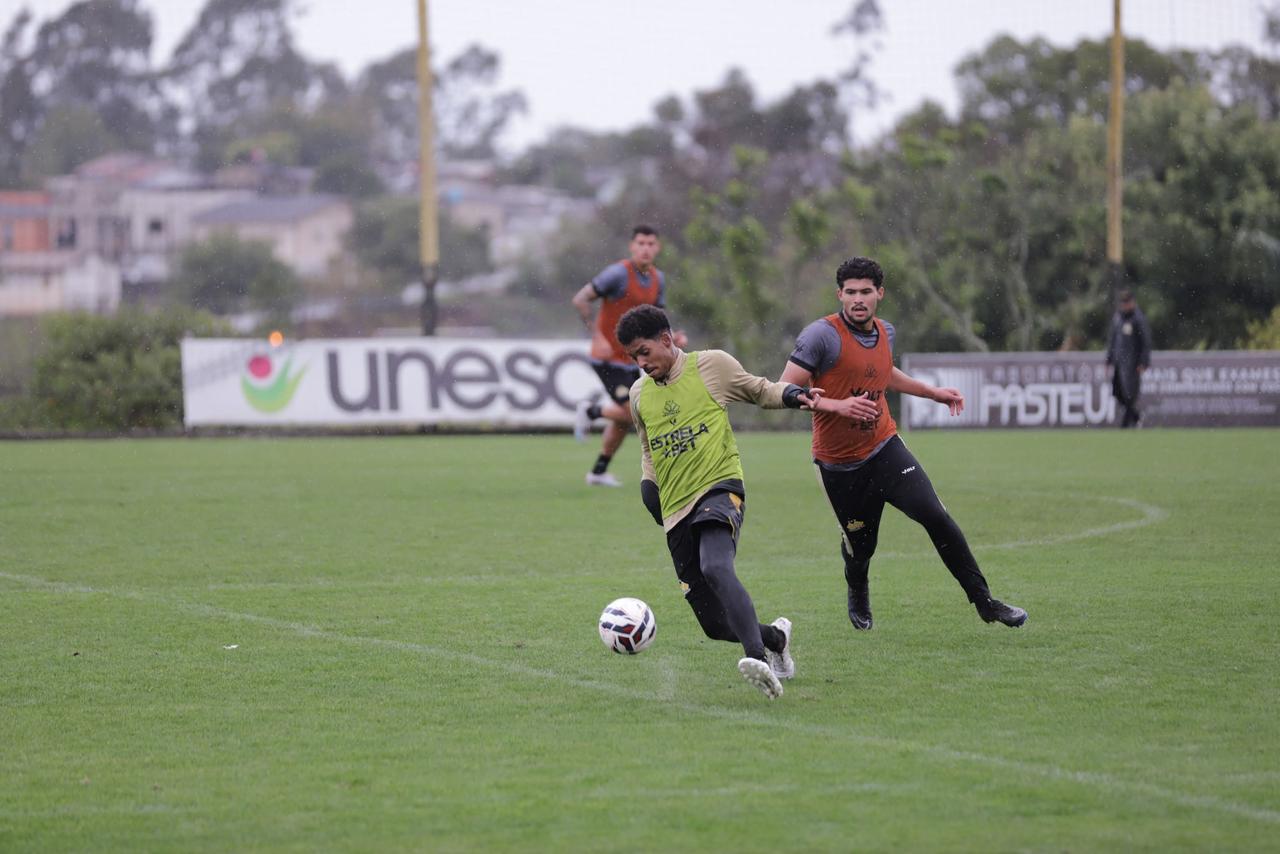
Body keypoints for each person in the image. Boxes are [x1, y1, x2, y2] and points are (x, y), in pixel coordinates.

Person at [779, 256, 1027, 631]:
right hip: (839, 465)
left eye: (865, 291)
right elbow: (783, 389)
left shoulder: (886, 332)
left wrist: (932, 393)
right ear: (839, 295)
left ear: (880, 293)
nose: (858, 299)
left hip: (885, 448)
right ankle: (858, 588)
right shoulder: (820, 336)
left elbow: (884, 372)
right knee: (861, 548)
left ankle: (985, 602)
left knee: (936, 517)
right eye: (850, 292)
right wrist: (837, 406)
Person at [618, 304, 818, 699]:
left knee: (715, 566)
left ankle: (757, 659)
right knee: (714, 625)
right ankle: (775, 639)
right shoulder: (639, 394)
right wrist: (648, 484)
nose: (641, 363)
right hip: (675, 508)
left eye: (644, 352)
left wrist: (796, 395)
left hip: (719, 486)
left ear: (666, 339)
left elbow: (761, 390)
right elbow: (648, 448)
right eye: (632, 357)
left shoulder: (711, 365)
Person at [571, 225, 683, 487]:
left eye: (651, 244)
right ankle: (590, 411)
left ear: (657, 248)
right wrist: (597, 336)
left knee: (625, 419)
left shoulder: (658, 279)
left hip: (632, 360)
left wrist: (672, 338)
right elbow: (580, 299)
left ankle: (598, 472)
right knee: (632, 413)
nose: (646, 249)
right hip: (607, 359)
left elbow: (657, 319)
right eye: (641, 243)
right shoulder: (618, 274)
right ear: (632, 246)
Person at [1105, 289, 1153, 428]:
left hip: (1132, 364)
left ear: (1133, 302)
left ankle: (1125, 425)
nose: (1125, 305)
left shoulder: (1138, 318)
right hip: (1118, 363)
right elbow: (1112, 340)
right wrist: (1109, 359)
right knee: (1118, 393)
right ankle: (1136, 417)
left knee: (1130, 394)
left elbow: (1146, 342)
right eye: (1123, 302)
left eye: (1127, 302)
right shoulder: (1118, 318)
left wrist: (1143, 362)